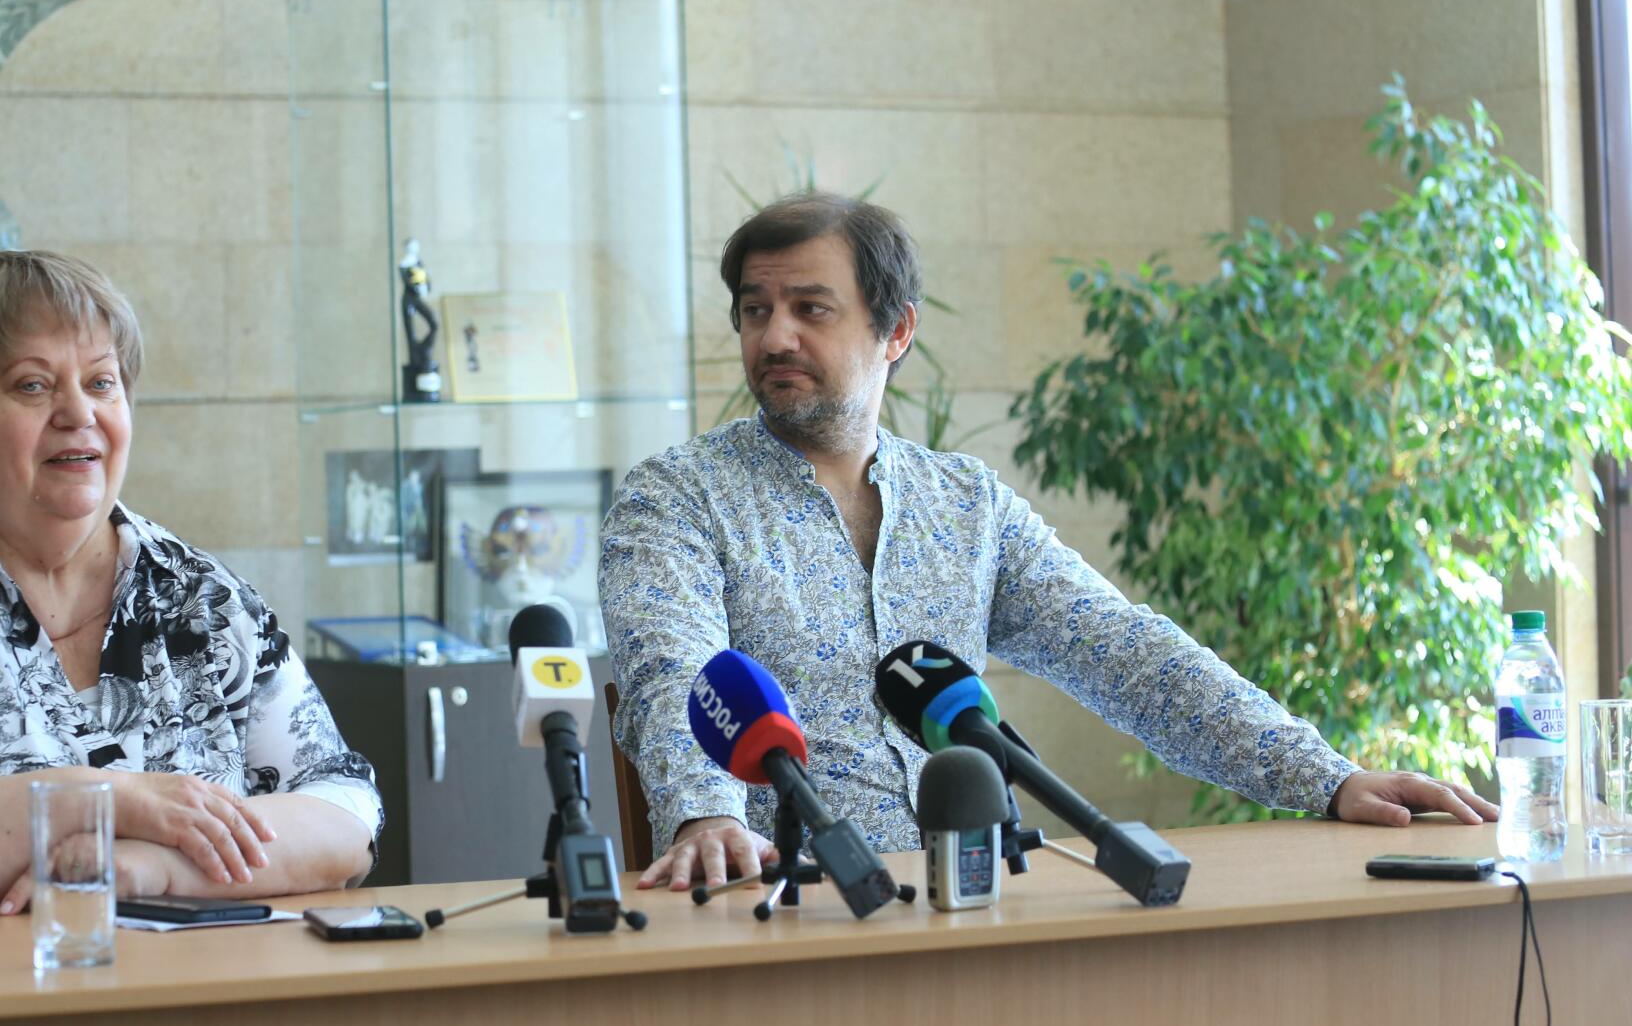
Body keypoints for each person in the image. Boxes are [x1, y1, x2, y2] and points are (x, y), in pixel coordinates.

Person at [598, 193, 1498, 892]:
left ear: (896, 330)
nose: (775, 336)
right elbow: (672, 673)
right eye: (756, 310)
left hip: (977, 901)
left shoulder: (966, 504)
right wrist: (706, 816)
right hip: (783, 905)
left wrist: (1329, 779)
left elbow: (1127, 654)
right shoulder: (674, 497)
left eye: (810, 308)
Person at [0, 250, 382, 913]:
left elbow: (345, 812)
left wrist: (152, 866)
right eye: (33, 386)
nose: (77, 412)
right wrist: (87, 801)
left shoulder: (200, 596)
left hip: (206, 978)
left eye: (101, 382)